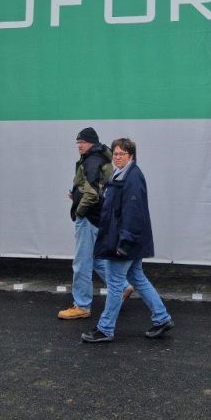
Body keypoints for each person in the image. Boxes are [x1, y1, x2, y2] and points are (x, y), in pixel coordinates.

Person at [82, 138, 173, 343]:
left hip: (124, 242)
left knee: (115, 284)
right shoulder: (122, 174)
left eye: (122, 154)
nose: (117, 157)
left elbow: (133, 212)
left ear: (131, 155)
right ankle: (162, 318)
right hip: (128, 240)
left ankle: (105, 329)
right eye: (115, 154)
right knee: (138, 278)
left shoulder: (132, 177)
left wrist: (125, 242)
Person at [58, 127, 113, 320]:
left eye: (82, 142)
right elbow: (92, 188)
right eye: (78, 142)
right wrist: (76, 194)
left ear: (92, 142)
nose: (79, 145)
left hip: (89, 217)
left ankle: (81, 305)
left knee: (82, 262)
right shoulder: (101, 158)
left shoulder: (91, 160)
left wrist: (78, 211)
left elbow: (91, 193)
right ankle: (122, 286)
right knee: (97, 259)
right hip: (99, 216)